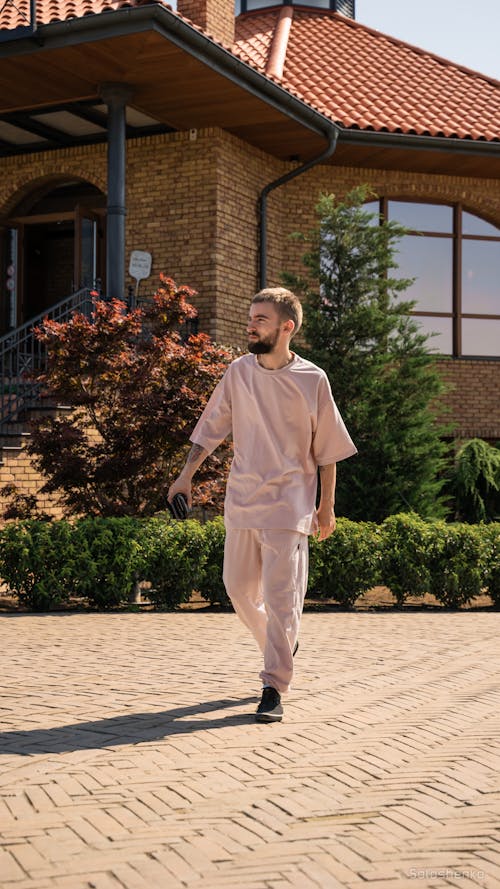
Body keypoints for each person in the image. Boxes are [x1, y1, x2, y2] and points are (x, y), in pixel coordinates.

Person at [168, 287, 357, 723]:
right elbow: (210, 428)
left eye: (260, 319)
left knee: (281, 598)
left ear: (286, 327)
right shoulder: (238, 373)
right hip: (243, 500)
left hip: (290, 506)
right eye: (250, 317)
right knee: (237, 589)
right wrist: (185, 476)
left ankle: (273, 685)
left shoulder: (313, 379)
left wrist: (326, 507)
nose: (250, 325)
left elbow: (327, 450)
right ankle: (282, 643)